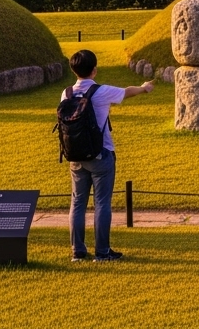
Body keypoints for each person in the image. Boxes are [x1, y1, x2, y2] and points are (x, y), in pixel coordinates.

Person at [64, 49, 153, 262]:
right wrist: (144, 88)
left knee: (77, 202)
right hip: (101, 154)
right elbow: (127, 92)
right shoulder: (101, 91)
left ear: (73, 70)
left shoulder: (66, 93)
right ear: (94, 70)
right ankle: (102, 252)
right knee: (102, 202)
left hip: (75, 155)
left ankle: (78, 251)